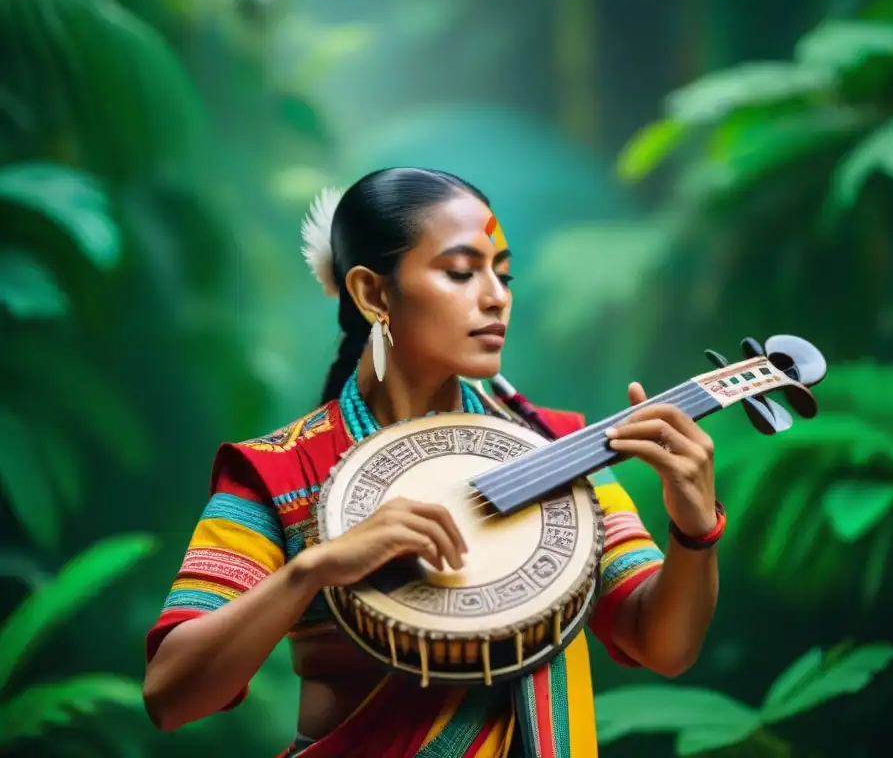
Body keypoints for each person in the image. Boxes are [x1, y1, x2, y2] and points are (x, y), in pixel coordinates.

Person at [142, 167, 725, 758]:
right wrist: (312, 570)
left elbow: (662, 644)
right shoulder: (281, 472)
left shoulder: (556, 447)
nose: (497, 297)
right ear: (373, 293)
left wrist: (694, 529)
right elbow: (171, 695)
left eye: (503, 274)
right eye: (460, 272)